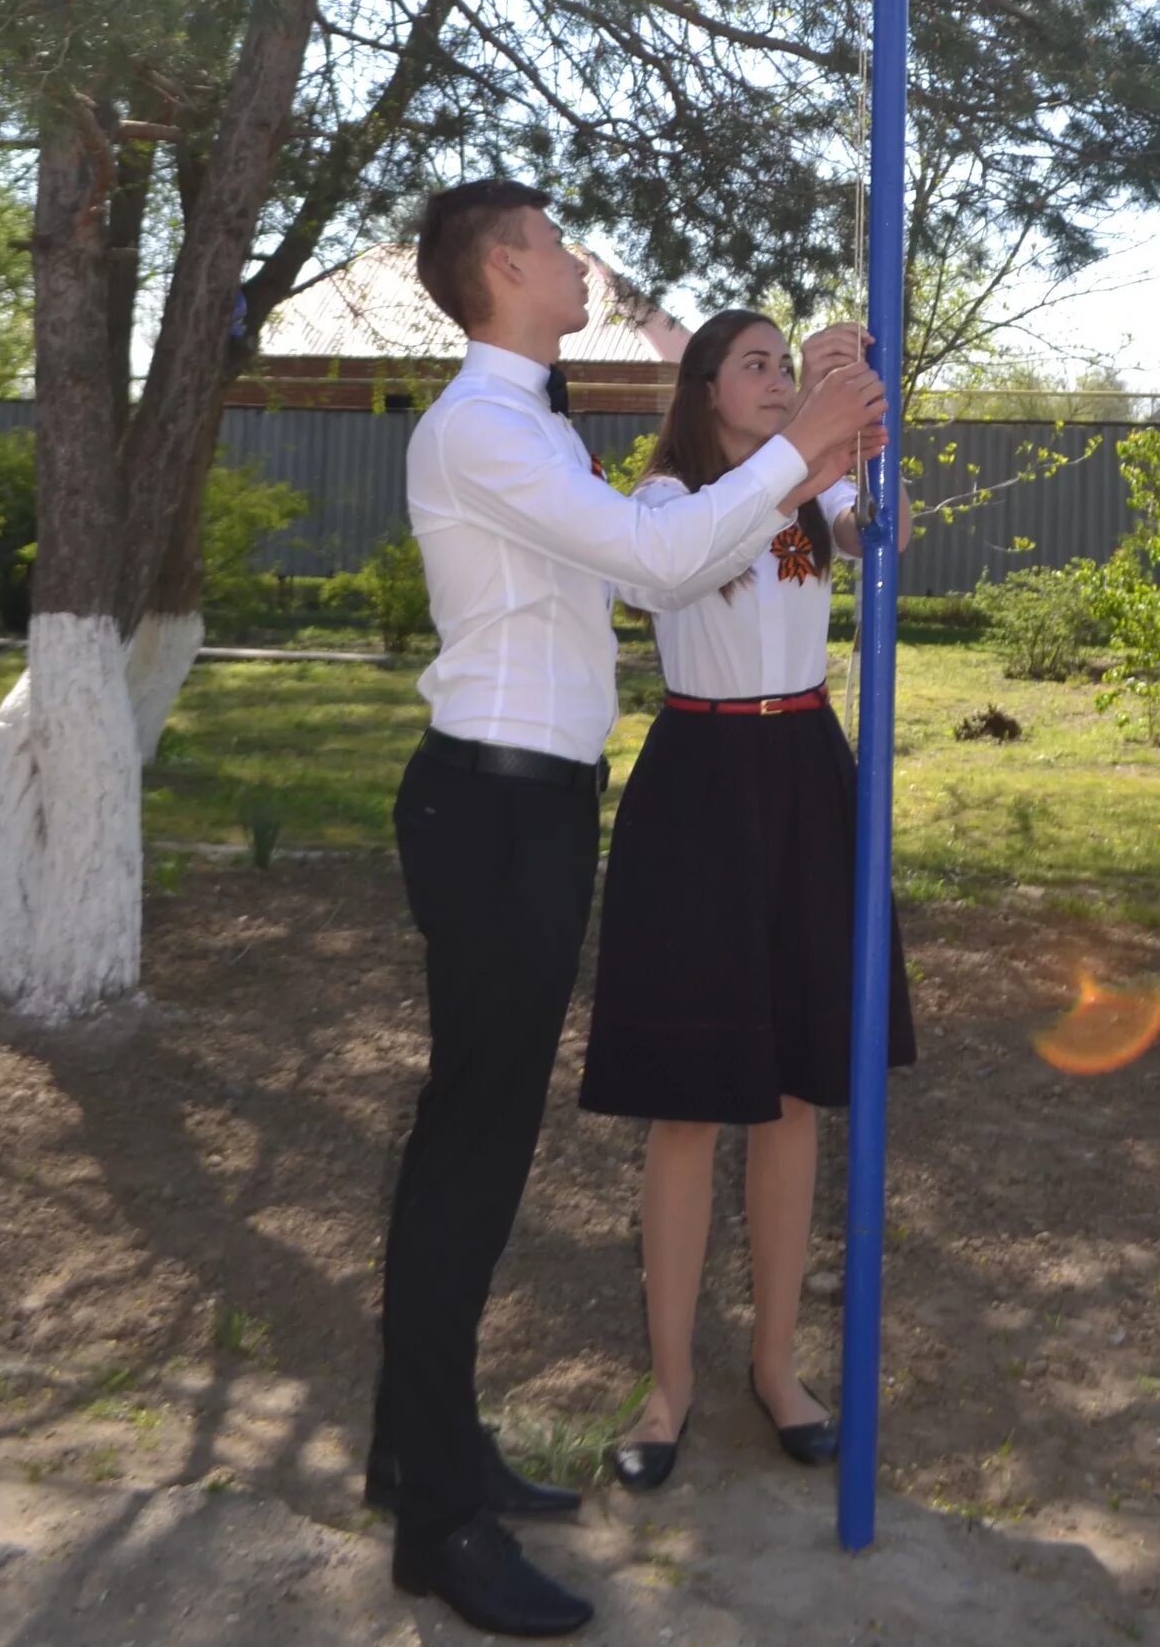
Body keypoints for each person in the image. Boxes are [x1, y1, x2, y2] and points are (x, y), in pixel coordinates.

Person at [370, 186, 884, 1640]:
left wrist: (817, 448)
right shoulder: (480, 426)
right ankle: (439, 1529)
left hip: (530, 802)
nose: (582, 257)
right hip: (487, 802)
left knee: (472, 1145)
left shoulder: (529, 420)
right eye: (556, 238)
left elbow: (696, 537)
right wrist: (808, 437)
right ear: (507, 268)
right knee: (466, 1160)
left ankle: (424, 1455)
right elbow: (663, 559)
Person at [577, 309, 917, 1492]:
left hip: (804, 775)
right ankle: (667, 1385)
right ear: (705, 388)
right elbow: (673, 572)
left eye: (789, 364)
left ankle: (776, 1365)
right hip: (701, 783)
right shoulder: (665, 500)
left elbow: (884, 534)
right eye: (759, 365)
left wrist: (859, 414)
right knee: (686, 1106)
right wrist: (806, 453)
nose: (778, 380)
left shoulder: (815, 490)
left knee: (788, 1093)